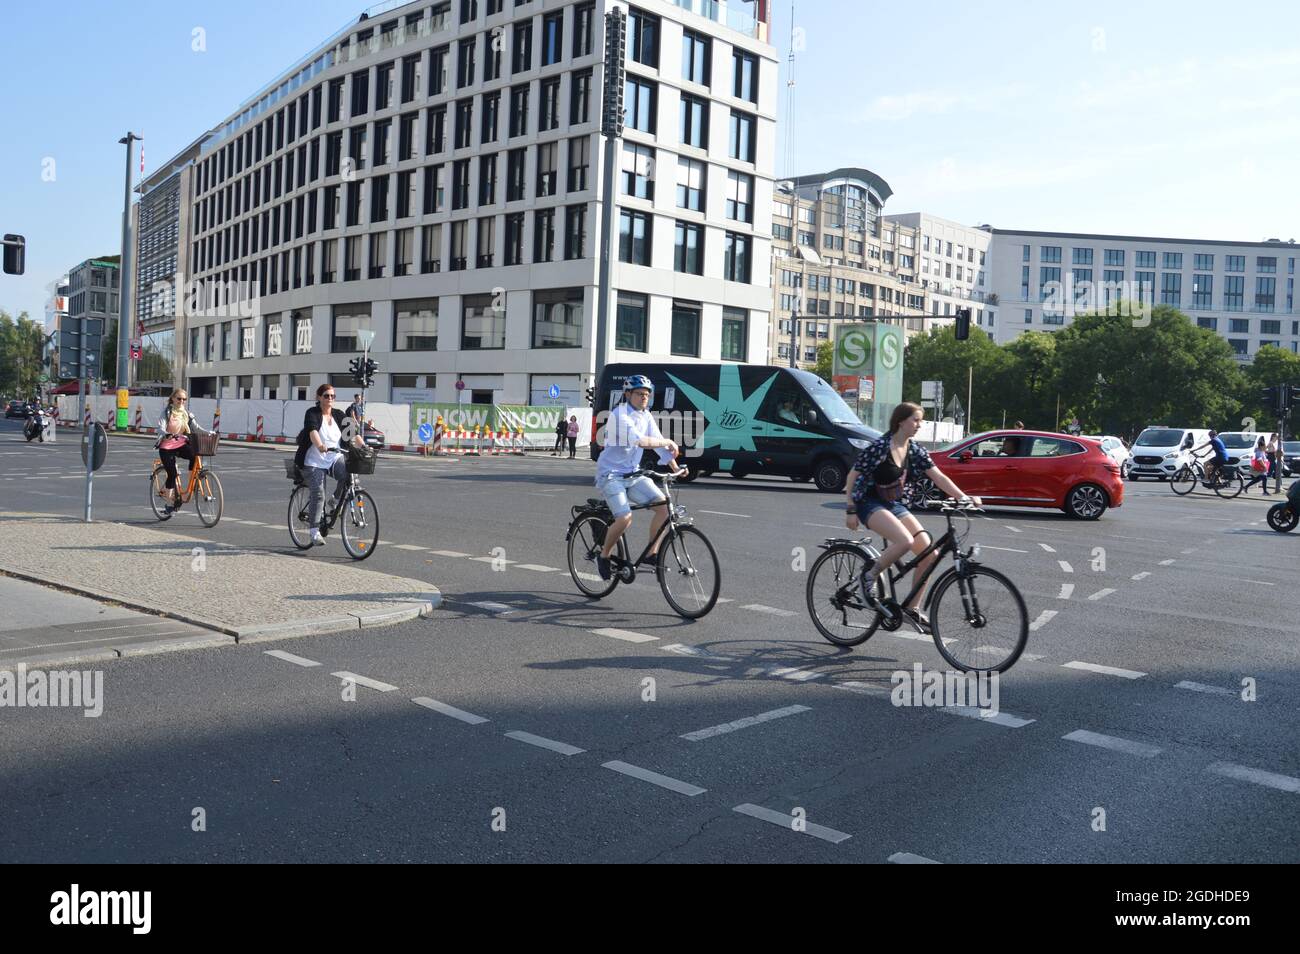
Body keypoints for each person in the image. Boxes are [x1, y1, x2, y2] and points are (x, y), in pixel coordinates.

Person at [845, 402, 981, 633]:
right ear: (901, 421)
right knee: (904, 541)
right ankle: (868, 577)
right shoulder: (879, 447)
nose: (919, 424)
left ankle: (912, 608)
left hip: (893, 504)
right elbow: (852, 475)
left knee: (930, 554)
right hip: (867, 503)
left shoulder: (915, 450)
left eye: (920, 420)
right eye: (915, 420)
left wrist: (963, 497)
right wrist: (850, 509)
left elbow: (937, 476)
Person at [593, 375, 686, 580]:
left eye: (647, 394)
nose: (644, 398)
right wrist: (668, 442)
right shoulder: (620, 415)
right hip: (611, 475)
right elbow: (641, 441)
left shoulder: (646, 415)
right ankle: (604, 555)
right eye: (639, 394)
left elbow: (659, 443)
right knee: (625, 518)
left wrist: (675, 467)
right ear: (628, 394)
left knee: (664, 508)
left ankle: (651, 554)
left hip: (633, 474)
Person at [299, 384, 366, 546]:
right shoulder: (312, 413)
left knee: (351, 475)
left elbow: (353, 434)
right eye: (326, 396)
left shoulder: (338, 414)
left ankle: (335, 500)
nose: (330, 399)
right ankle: (314, 531)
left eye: (332, 396)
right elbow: (312, 431)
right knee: (319, 493)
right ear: (319, 397)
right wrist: (320, 445)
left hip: (334, 458)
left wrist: (364, 448)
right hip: (314, 460)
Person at [155, 389, 211, 511]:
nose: (181, 401)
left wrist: (209, 433)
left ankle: (191, 483)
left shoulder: (186, 414)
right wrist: (166, 434)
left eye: (184, 399)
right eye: (179, 398)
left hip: (180, 443)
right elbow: (160, 428)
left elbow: (197, 428)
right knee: (172, 473)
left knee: (194, 454)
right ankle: (169, 503)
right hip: (166, 446)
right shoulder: (167, 412)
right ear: (173, 399)